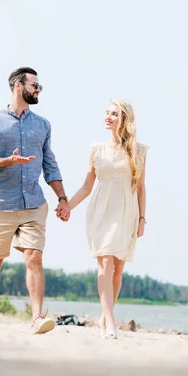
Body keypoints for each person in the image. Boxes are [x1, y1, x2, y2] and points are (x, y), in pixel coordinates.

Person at [0, 66, 70, 334]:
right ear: (19, 86)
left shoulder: (42, 125)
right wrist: (8, 161)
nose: (38, 90)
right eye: (35, 85)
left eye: (39, 86)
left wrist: (62, 198)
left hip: (33, 204)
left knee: (34, 257)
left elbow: (50, 165)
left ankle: (38, 317)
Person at [61, 99, 148, 339]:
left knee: (117, 268)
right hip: (100, 211)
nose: (108, 117)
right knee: (105, 263)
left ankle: (104, 316)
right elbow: (87, 186)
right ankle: (110, 321)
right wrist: (67, 205)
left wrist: (142, 219)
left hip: (126, 212)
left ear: (125, 120)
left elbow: (141, 188)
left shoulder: (138, 151)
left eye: (114, 114)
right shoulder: (96, 149)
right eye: (106, 113)